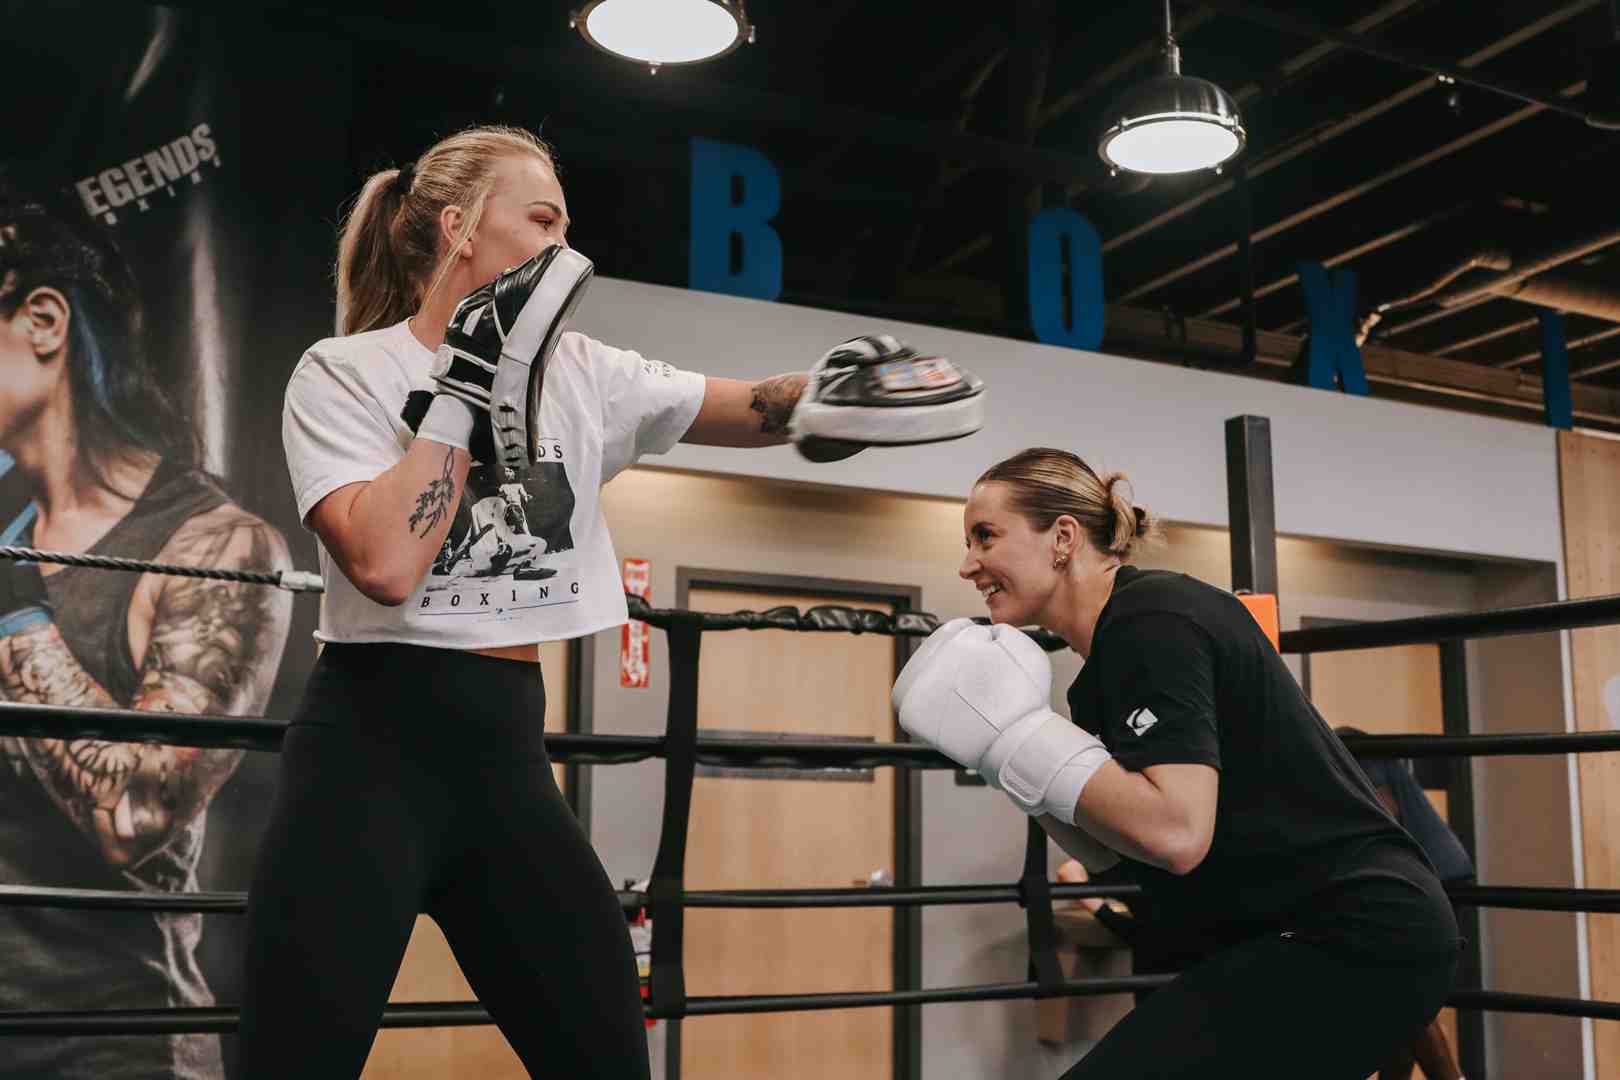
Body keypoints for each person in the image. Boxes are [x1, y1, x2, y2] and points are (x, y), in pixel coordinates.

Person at [245, 123, 980, 1078]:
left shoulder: (585, 373)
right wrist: (469, 377)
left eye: (567, 222)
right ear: (458, 226)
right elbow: (384, 563)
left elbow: (750, 403)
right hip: (365, 758)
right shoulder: (345, 372)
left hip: (506, 761)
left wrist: (836, 395)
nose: (562, 246)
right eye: (540, 218)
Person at [894, 447, 1460, 1079]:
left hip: (1355, 933)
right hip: (1295, 935)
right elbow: (1122, 850)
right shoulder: (1104, 666)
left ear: (1061, 538)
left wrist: (1020, 735)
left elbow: (1177, 833)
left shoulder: (1153, 621)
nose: (968, 564)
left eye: (985, 536)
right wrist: (1006, 761)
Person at [0, 166, 294, 1078]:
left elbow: (135, 810)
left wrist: (12, 602)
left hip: (109, 1048)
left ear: (43, 324)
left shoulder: (213, 546)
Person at [1337, 726, 1473, 1080]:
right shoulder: (1348, 745)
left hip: (1433, 875)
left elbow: (1385, 810)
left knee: (1407, 997)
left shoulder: (1350, 748)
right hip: (1428, 873)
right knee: (1401, 1002)